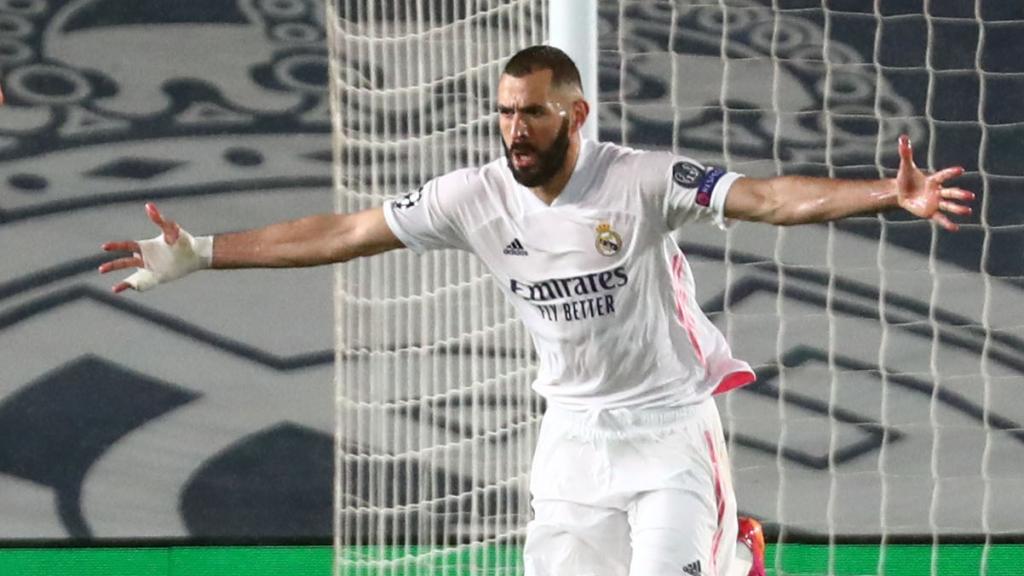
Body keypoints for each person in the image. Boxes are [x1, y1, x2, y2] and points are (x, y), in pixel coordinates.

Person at [100, 46, 973, 576]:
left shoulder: (638, 179)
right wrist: (205, 252)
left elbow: (769, 199)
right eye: (506, 115)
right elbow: (346, 230)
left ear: (576, 115)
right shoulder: (473, 196)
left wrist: (881, 197)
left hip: (668, 430)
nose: (516, 130)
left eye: (534, 115)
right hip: (571, 440)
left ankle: (729, 551)